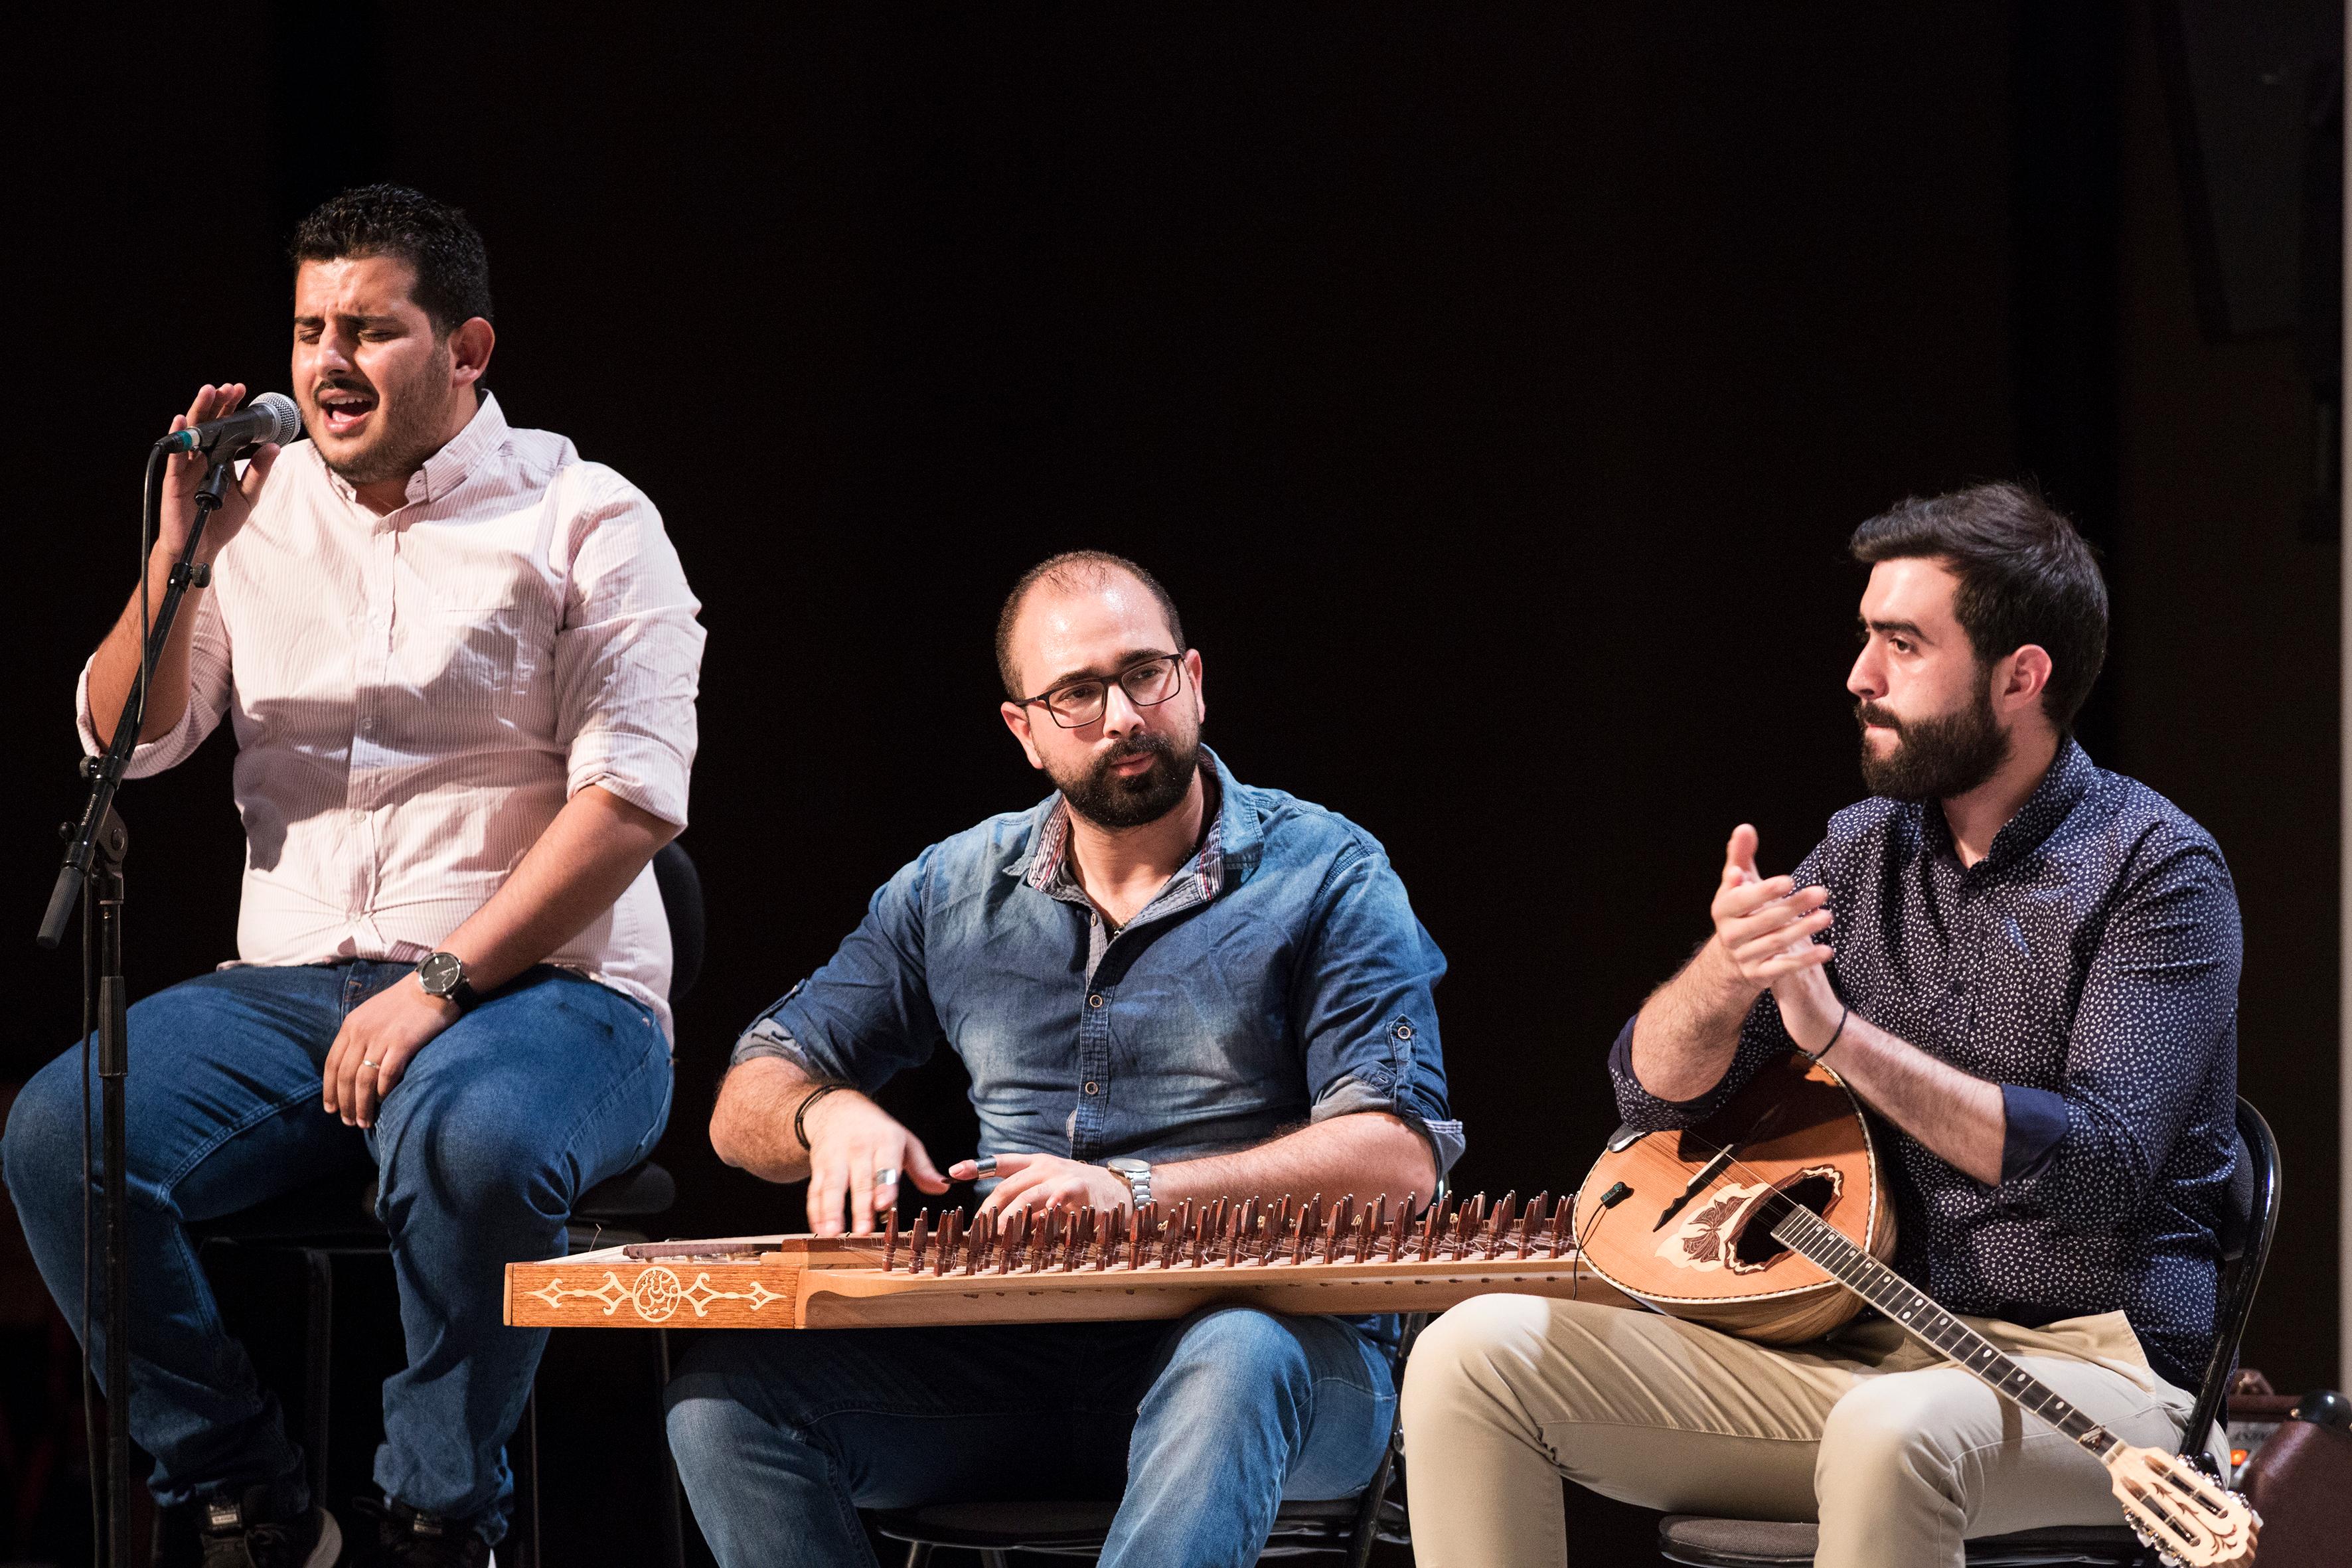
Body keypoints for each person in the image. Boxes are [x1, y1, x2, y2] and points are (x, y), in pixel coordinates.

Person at [1, 185, 704, 1568]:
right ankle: (248, 1499)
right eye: (310, 327)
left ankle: (440, 1520)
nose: (328, 359)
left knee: (467, 1137)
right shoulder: (252, 517)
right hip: (291, 992)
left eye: (370, 329)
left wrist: (440, 982)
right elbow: (126, 741)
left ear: (466, 349)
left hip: (549, 994)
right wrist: (179, 558)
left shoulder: (585, 513)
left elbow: (631, 803)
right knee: (57, 1135)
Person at [1400, 483, 2240, 1568]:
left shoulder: (2157, 871)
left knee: (1893, 1434)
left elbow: (2099, 1169)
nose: (1860, 675)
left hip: (2099, 1373)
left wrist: (1840, 1037)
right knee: (1473, 1352)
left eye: (1904, 643)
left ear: (2020, 676)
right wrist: (1726, 970)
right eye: (1865, 636)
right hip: (1862, 1346)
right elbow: (1652, 1099)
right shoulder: (1861, 847)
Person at [663, 550, 1460, 1568]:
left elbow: (1398, 1160)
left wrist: (1134, 1194)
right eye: (1077, 694)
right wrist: (825, 1113)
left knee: (1237, 1353)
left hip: (1274, 1357)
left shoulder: (1329, 872)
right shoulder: (953, 891)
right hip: (1018, 1369)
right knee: (726, 1401)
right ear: (1025, 731)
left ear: (1194, 681)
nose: (1122, 715)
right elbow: (745, 1100)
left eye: (1145, 674)